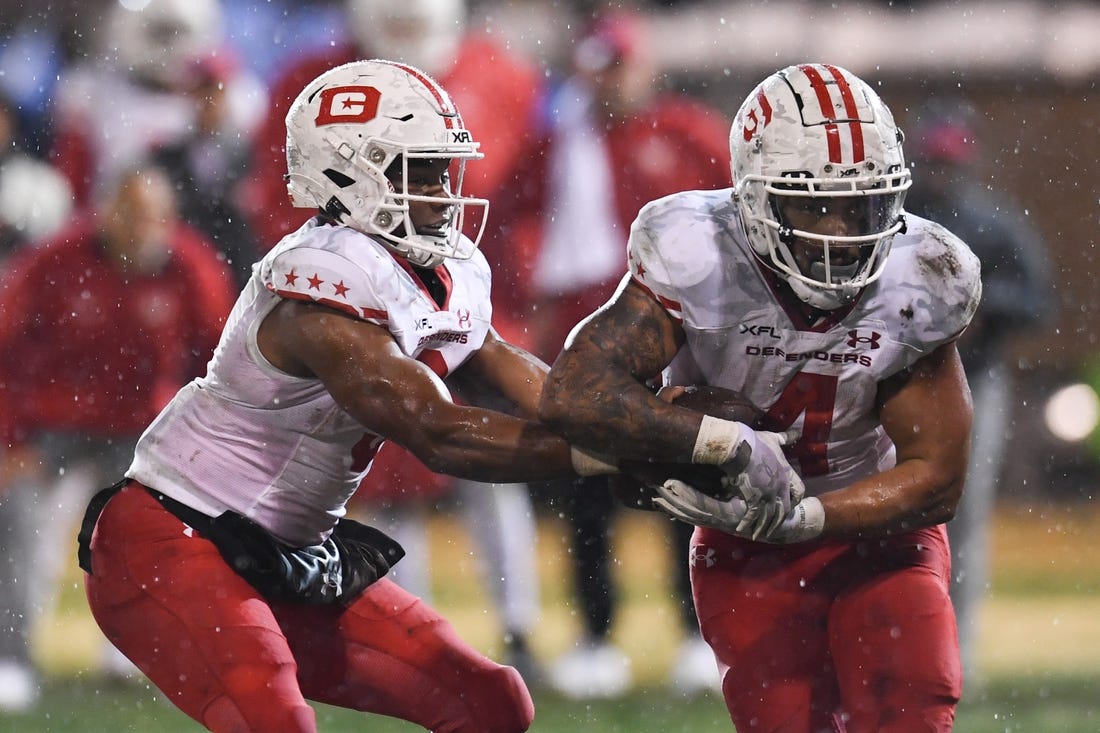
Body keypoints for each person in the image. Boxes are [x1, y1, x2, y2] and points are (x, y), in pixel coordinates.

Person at [78, 60, 617, 733]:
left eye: (440, 168)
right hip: (171, 535)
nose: (442, 191)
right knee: (274, 717)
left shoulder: (436, 269)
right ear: (346, 173)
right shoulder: (321, 285)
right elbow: (439, 433)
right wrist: (602, 456)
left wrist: (639, 425)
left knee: (490, 702)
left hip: (289, 550)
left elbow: (520, 375)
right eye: (416, 170)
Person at [538, 62, 982, 732]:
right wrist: (713, 441)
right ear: (754, 199)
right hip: (742, 532)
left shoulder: (921, 273)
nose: (841, 232)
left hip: (882, 528)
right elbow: (576, 392)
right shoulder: (698, 250)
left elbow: (937, 479)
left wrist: (806, 515)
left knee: (911, 707)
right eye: (816, 204)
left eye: (862, 203)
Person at [242, 0, 548, 676]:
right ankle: (413, 637)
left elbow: (529, 195)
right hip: (356, 297)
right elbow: (278, 201)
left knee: (484, 467)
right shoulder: (310, 81)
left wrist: (514, 293)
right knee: (381, 470)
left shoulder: (503, 76)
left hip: (453, 285)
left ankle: (515, 626)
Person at [489, 9, 732, 698]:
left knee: (688, 491)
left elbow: (737, 222)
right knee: (587, 492)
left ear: (643, 65)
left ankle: (700, 635)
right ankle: (598, 637)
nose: (611, 81)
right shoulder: (558, 145)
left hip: (680, 343)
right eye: (600, 67)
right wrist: (526, 299)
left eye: (620, 65)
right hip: (587, 341)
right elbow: (504, 219)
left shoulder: (687, 134)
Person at [0, 162, 236, 709]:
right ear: (103, 211)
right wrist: (11, 442)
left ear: (170, 219)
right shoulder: (54, 262)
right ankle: (11, 658)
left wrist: (208, 443)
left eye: (152, 215)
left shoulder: (190, 266)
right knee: (21, 522)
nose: (139, 226)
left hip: (144, 428)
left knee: (160, 532)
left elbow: (223, 361)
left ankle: (132, 649)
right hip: (54, 426)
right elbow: (6, 354)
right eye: (129, 211)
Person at [904, 97, 1052, 688]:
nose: (941, 173)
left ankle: (955, 647)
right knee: (889, 507)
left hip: (972, 381)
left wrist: (983, 308)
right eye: (934, 161)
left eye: (949, 162)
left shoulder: (993, 222)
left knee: (960, 514)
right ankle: (897, 635)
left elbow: (1039, 302)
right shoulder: (896, 221)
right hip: (897, 380)